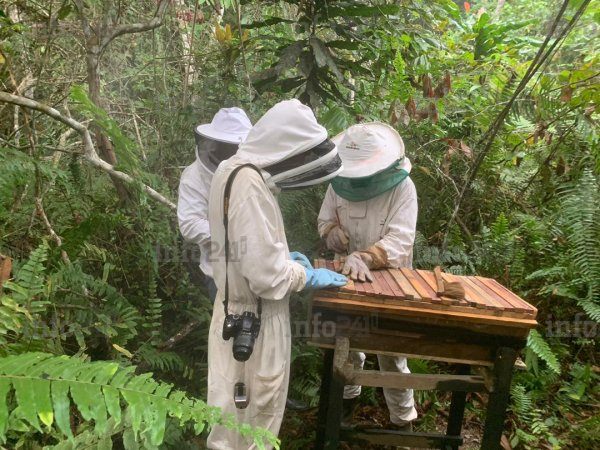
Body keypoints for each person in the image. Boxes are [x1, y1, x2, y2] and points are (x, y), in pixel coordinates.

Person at [206, 99, 347, 450]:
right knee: (257, 421)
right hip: (256, 318)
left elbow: (243, 246)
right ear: (287, 148)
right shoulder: (249, 184)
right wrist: (302, 274)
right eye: (300, 156)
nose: (300, 164)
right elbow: (267, 278)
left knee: (228, 417)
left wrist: (282, 257)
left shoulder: (229, 169)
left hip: (230, 311)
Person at [317, 122, 418, 432]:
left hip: (391, 279)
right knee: (346, 346)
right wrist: (332, 233)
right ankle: (345, 406)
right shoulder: (338, 183)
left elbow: (401, 239)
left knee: (392, 354)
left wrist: (366, 256)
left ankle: (402, 421)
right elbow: (324, 219)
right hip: (346, 277)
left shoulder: (403, 187)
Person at [177, 107, 252, 302]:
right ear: (215, 144)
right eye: (230, 146)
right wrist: (234, 233)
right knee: (226, 321)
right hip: (221, 274)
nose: (235, 151)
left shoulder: (251, 170)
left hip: (257, 270)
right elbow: (190, 225)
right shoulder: (194, 177)